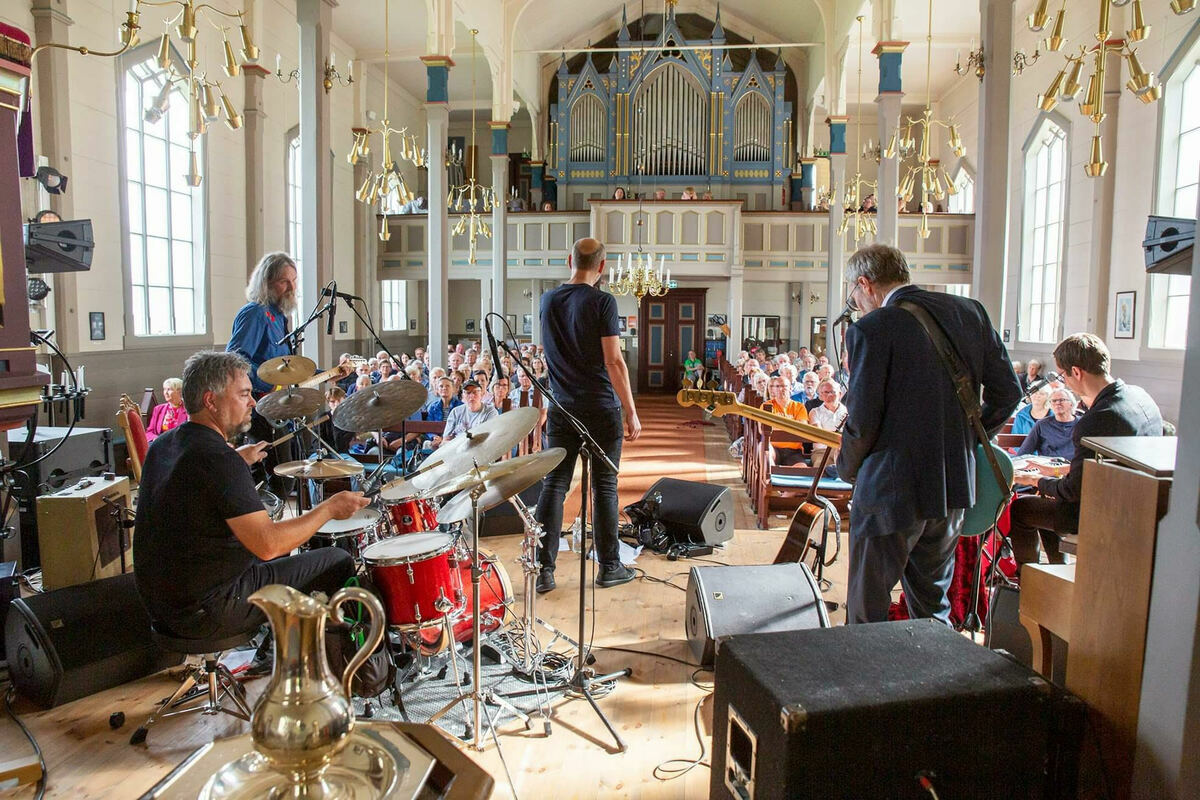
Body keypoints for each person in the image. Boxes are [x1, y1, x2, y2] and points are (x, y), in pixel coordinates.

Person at [836, 244, 1021, 625]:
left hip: (889, 489)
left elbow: (863, 420)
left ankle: (865, 667)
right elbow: (1008, 393)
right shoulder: (970, 312)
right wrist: (966, 441)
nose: (857, 306)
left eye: (854, 297)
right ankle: (933, 665)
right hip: (952, 487)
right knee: (932, 607)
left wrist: (847, 468)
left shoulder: (872, 328)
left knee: (867, 610)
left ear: (864, 284)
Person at [133, 351, 368, 648]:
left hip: (162, 603)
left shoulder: (165, 444)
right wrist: (329, 508)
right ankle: (345, 662)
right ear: (211, 401)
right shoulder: (219, 460)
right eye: (244, 394)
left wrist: (237, 460)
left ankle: (280, 643)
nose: (253, 403)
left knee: (286, 554)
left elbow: (195, 484)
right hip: (208, 609)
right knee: (336, 560)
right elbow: (269, 545)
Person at [534, 238, 640, 594]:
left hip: (561, 408)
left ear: (570, 260)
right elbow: (614, 361)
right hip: (599, 408)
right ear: (602, 266)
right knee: (604, 487)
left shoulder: (548, 300)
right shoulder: (602, 301)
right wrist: (631, 411)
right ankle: (609, 567)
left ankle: (544, 570)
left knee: (554, 485)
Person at [1008, 334, 1162, 568]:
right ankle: (1055, 571)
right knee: (1046, 501)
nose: (1064, 381)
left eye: (1063, 375)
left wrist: (1035, 480)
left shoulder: (1097, 419)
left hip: (1104, 513)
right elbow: (1114, 463)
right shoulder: (1141, 397)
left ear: (1076, 372)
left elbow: (1072, 491)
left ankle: (1029, 580)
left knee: (1021, 508)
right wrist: (1057, 471)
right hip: (1141, 504)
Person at [226, 252, 302, 488]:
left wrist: (328, 373)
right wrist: (268, 383)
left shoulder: (280, 317)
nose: (292, 288)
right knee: (278, 480)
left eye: (294, 281)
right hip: (258, 407)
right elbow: (235, 360)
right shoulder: (255, 313)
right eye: (284, 282)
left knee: (286, 477)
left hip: (278, 407)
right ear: (266, 283)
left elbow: (287, 368)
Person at [1015, 387, 1078, 459]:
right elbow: (1024, 452)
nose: (1057, 403)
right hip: (1049, 463)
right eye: (1054, 401)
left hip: (1076, 464)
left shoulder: (1081, 423)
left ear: (1071, 404)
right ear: (1050, 404)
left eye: (1062, 400)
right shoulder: (1042, 424)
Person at [764, 376, 809, 466]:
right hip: (774, 448)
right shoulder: (767, 406)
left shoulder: (799, 407)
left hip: (794, 451)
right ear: (773, 389)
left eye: (784, 386)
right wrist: (792, 427)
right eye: (777, 386)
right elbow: (764, 428)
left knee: (802, 467)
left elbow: (802, 428)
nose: (780, 389)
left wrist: (777, 426)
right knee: (766, 452)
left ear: (790, 388)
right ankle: (770, 474)